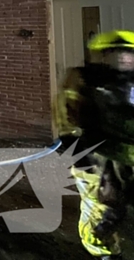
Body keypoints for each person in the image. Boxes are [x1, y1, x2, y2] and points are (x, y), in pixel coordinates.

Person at [55, 30, 134, 260]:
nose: (123, 58)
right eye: (115, 52)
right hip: (98, 160)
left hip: (129, 158)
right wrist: (79, 154)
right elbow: (66, 119)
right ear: (102, 55)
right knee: (103, 213)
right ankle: (103, 253)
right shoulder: (83, 80)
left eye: (129, 52)